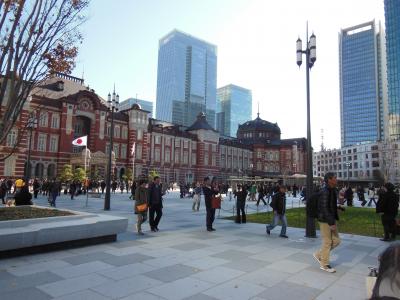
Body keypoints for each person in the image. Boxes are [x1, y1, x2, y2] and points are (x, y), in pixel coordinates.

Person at [313, 172, 341, 273]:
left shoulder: (332, 190)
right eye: (335, 178)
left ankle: (319, 255)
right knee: (327, 242)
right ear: (329, 180)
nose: (336, 179)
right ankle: (324, 264)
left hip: (330, 218)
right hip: (325, 220)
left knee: (337, 241)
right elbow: (324, 208)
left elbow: (329, 205)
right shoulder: (325, 191)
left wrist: (338, 207)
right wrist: (331, 223)